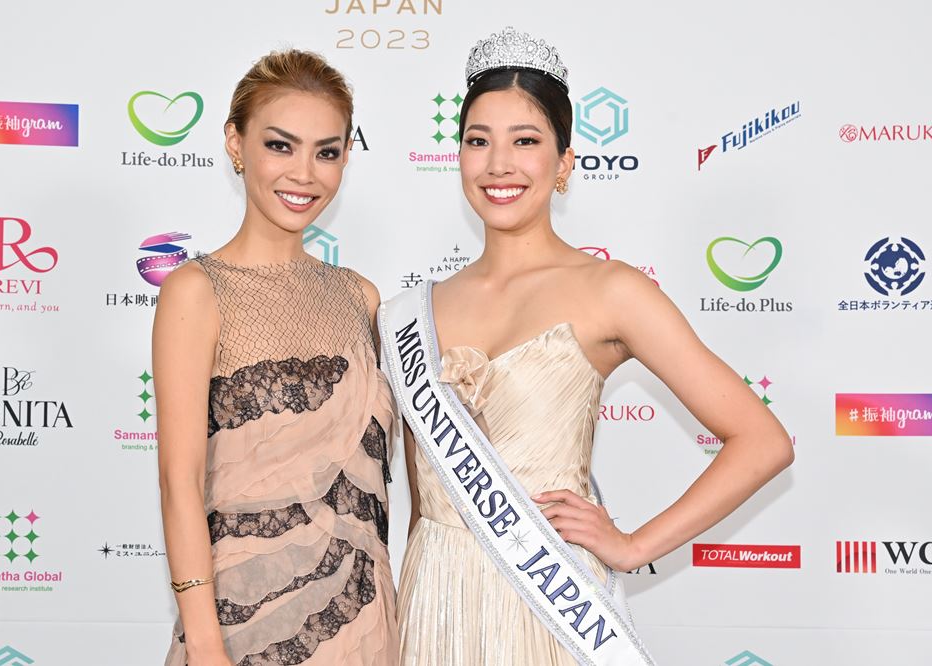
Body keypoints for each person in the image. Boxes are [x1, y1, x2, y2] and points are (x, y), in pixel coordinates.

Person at [382, 27, 794, 665]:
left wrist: (633, 546)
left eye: (526, 141)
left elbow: (764, 442)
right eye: (478, 141)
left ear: (565, 162)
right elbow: (422, 497)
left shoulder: (612, 290)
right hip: (432, 599)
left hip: (548, 600)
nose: (498, 164)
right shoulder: (413, 309)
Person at [155, 50, 398, 666]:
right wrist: (204, 642)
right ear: (235, 144)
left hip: (364, 626)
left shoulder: (361, 297)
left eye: (326, 152)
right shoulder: (197, 290)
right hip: (238, 628)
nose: (304, 174)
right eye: (280, 146)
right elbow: (179, 481)